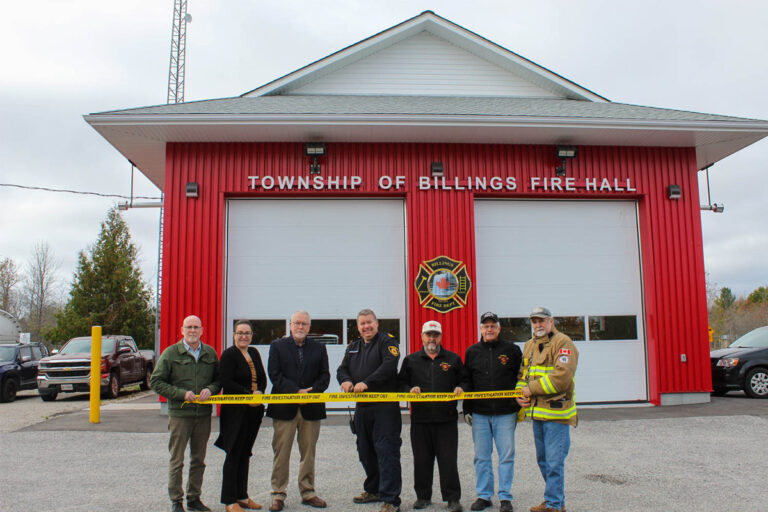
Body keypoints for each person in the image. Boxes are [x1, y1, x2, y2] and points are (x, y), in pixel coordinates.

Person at [150, 315, 222, 512]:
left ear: (202, 330)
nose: (192, 330)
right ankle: (176, 500)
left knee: (198, 459)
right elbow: (155, 382)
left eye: (196, 327)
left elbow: (218, 380)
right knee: (177, 459)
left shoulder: (209, 353)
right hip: (180, 415)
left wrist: (211, 389)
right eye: (189, 327)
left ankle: (194, 498)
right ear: (182, 330)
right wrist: (181, 394)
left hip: (203, 415)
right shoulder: (171, 353)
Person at [398, 320, 468, 512]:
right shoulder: (411, 360)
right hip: (420, 420)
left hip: (446, 419)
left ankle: (452, 498)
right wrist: (409, 389)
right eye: (428, 334)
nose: (432, 338)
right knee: (421, 459)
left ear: (440, 336)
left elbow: (465, 379)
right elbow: (400, 384)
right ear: (422, 337)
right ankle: (422, 497)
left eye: (435, 334)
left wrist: (461, 387)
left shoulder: (453, 359)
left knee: (448, 460)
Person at [337, 309, 402, 512]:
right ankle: (373, 489)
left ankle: (391, 499)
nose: (366, 326)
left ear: (377, 323)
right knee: (365, 450)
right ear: (358, 327)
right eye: (362, 324)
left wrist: (366, 382)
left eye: (369, 322)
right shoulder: (354, 346)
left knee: (386, 451)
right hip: (362, 408)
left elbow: (389, 366)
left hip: (384, 407)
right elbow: (342, 369)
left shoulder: (387, 342)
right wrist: (346, 380)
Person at [266, 311, 331, 511]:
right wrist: (296, 392)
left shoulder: (319, 348)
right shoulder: (277, 346)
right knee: (281, 453)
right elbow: (275, 375)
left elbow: (325, 376)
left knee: (308, 453)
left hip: (311, 408)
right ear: (290, 325)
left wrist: (310, 393)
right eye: (297, 323)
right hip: (284, 407)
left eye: (304, 324)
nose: (300, 327)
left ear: (309, 327)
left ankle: (308, 492)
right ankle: (278, 494)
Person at [516, 307, 579, 512]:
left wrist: (531, 389)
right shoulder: (528, 346)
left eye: (542, 321)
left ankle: (553, 505)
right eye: (534, 321)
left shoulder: (563, 343)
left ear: (551, 321)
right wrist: (519, 395)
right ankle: (555, 501)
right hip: (537, 415)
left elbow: (561, 379)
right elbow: (522, 376)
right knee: (543, 461)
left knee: (554, 462)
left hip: (557, 415)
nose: (538, 325)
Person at [463, 312, 523, 512]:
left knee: (506, 455)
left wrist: (520, 402)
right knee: (481, 456)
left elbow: (521, 377)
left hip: (506, 413)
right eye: (485, 326)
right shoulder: (472, 351)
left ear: (499, 328)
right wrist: (467, 409)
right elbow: (468, 382)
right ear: (480, 329)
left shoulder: (512, 350)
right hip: (480, 413)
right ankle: (484, 496)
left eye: (493, 325)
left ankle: (505, 497)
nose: (489, 329)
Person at [214, 319, 267, 512]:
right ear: (234, 335)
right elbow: (226, 382)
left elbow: (262, 378)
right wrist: (248, 394)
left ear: (251, 335)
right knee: (234, 453)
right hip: (235, 412)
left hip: (254, 409)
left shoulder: (254, 352)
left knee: (245, 453)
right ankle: (229, 501)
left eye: (247, 333)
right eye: (240, 333)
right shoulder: (229, 355)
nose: (244, 336)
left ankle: (242, 496)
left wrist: (259, 392)